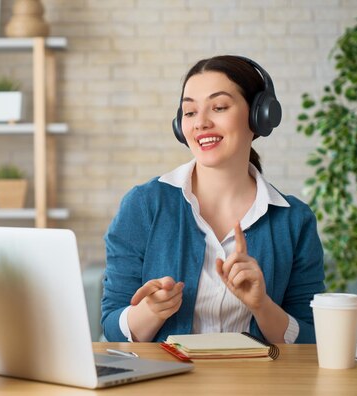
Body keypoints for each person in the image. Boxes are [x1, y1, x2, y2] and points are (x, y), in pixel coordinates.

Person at [101, 55, 325, 344]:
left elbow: (311, 337)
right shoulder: (144, 205)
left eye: (218, 107)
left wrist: (262, 305)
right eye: (190, 112)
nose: (201, 123)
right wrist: (151, 311)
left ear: (260, 115)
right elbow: (111, 325)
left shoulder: (294, 220)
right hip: (168, 385)